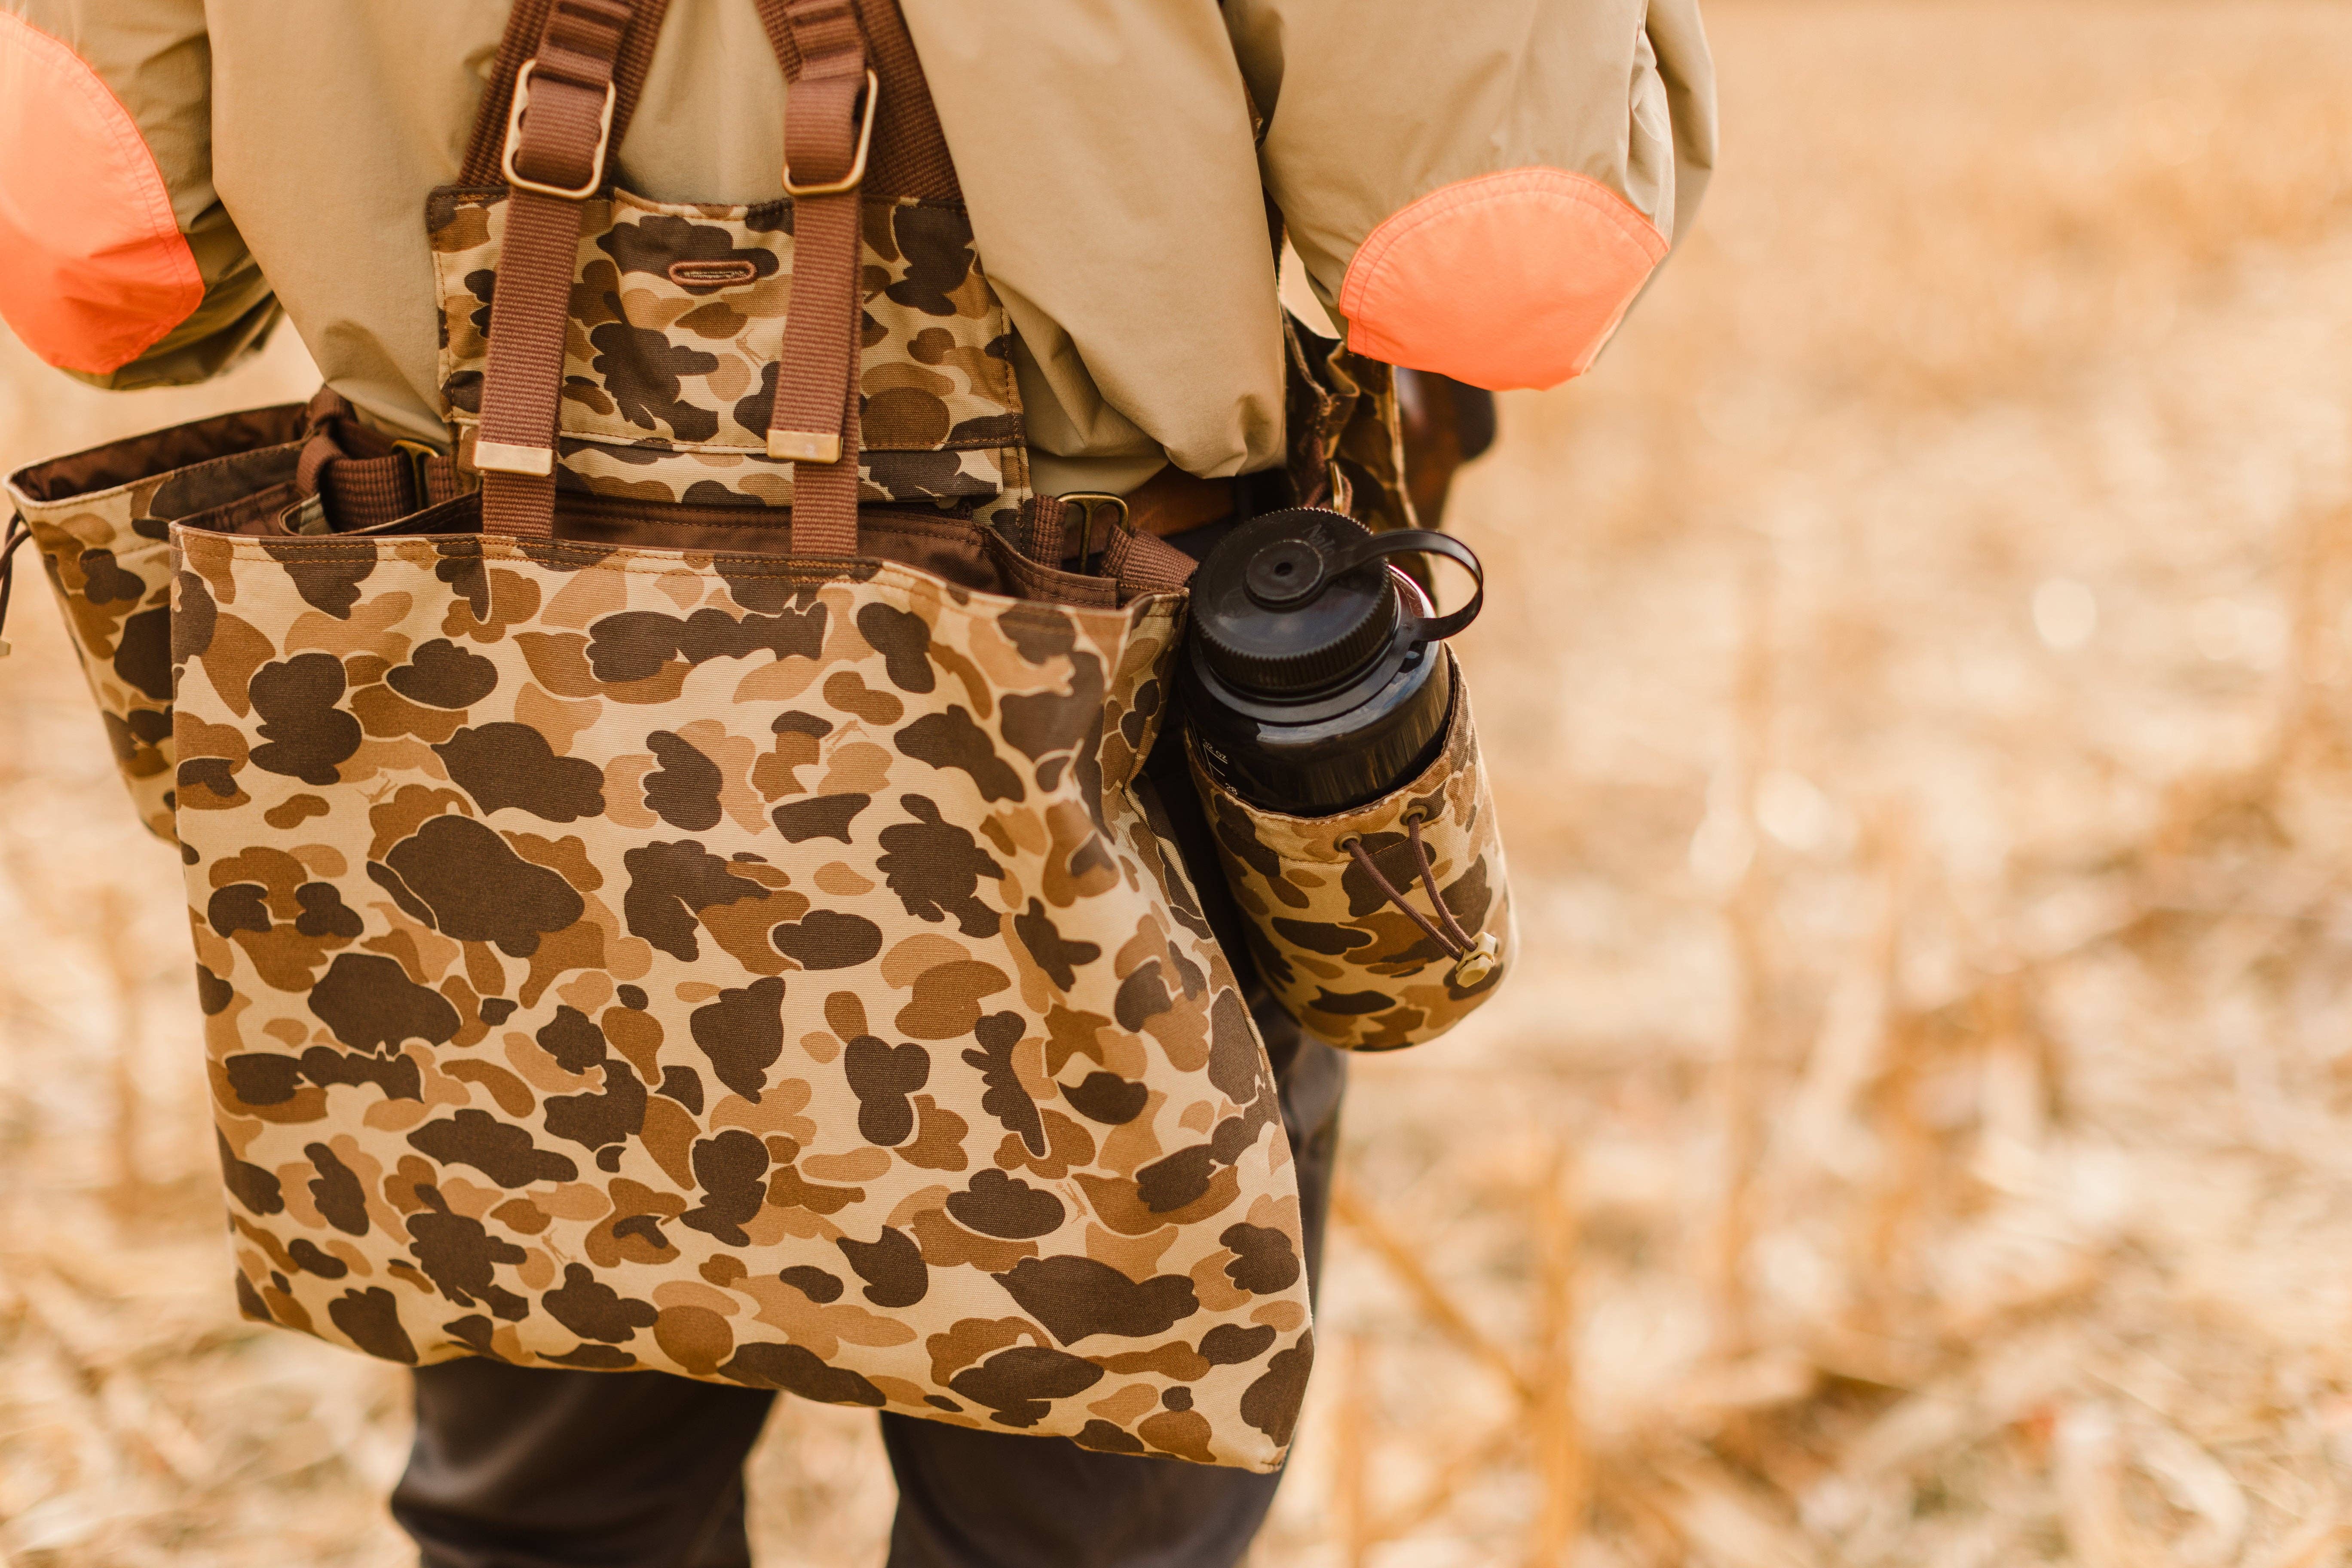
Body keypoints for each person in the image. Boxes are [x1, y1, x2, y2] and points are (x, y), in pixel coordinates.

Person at [0, 3, 1714, 1564]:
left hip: (479, 765)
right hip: (1079, 742)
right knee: (1074, 1536)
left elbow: (102, 261)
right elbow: (1502, 267)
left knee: (551, 1517)